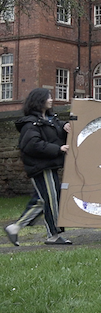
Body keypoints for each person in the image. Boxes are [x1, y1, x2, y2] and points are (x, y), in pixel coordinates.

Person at [5, 88, 72, 245]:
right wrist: (58, 149)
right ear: (39, 101)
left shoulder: (49, 119)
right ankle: (53, 235)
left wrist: (64, 126)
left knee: (46, 200)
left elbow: (53, 130)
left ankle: (15, 227)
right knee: (50, 199)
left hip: (49, 166)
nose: (51, 99)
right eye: (48, 97)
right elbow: (31, 145)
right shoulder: (30, 124)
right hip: (41, 168)